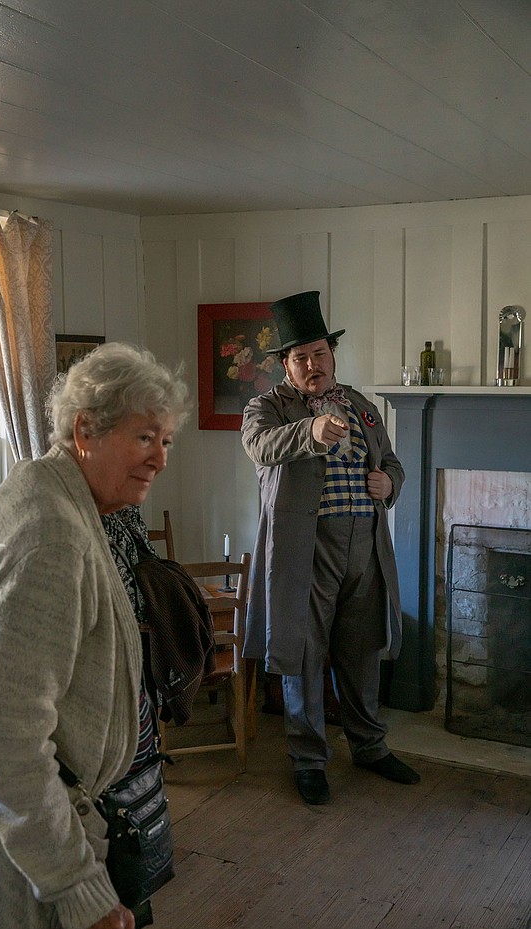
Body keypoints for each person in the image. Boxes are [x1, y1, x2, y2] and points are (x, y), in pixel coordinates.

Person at [0, 342, 189, 929]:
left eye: (165, 441)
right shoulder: (54, 541)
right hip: (31, 857)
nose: (160, 459)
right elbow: (8, 742)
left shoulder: (31, 489)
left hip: (17, 821)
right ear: (85, 429)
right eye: (144, 438)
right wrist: (80, 891)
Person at [241, 291, 419, 806]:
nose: (312, 365)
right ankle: (309, 760)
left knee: (362, 653)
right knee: (303, 654)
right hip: (305, 550)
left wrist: (389, 481)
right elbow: (260, 447)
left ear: (333, 355)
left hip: (365, 545)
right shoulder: (267, 407)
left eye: (319, 354)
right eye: (300, 358)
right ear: (286, 365)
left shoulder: (361, 406)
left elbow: (394, 462)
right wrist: (311, 430)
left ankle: (369, 747)